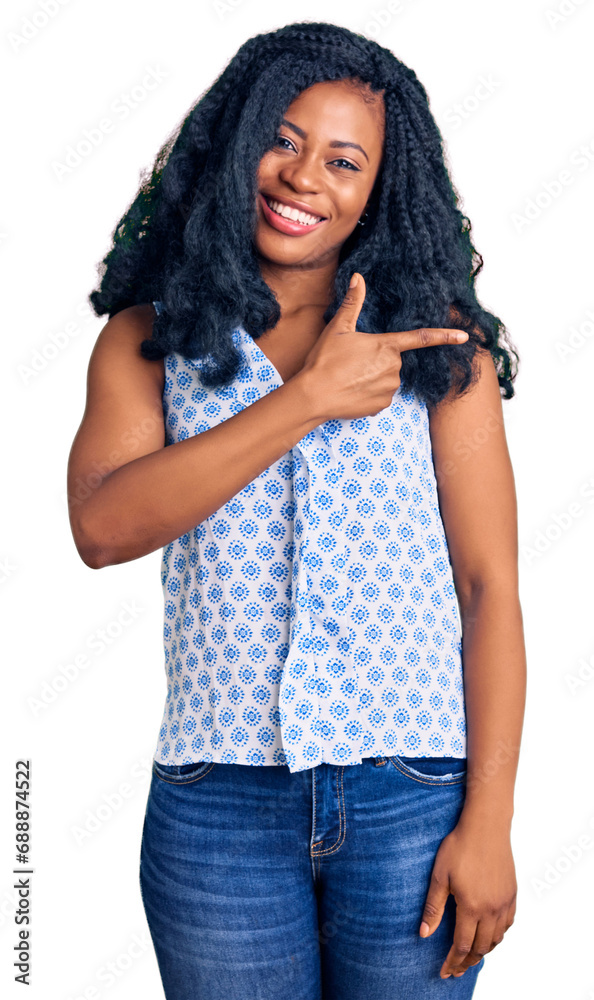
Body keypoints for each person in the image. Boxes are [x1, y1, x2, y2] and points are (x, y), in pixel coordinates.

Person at [66, 20, 526, 1000]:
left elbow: (491, 590)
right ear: (237, 143)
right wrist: (304, 401)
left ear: (377, 190)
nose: (304, 177)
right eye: (283, 138)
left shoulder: (442, 355)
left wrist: (488, 821)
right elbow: (103, 528)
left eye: (344, 160)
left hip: (415, 797)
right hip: (216, 805)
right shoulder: (148, 342)